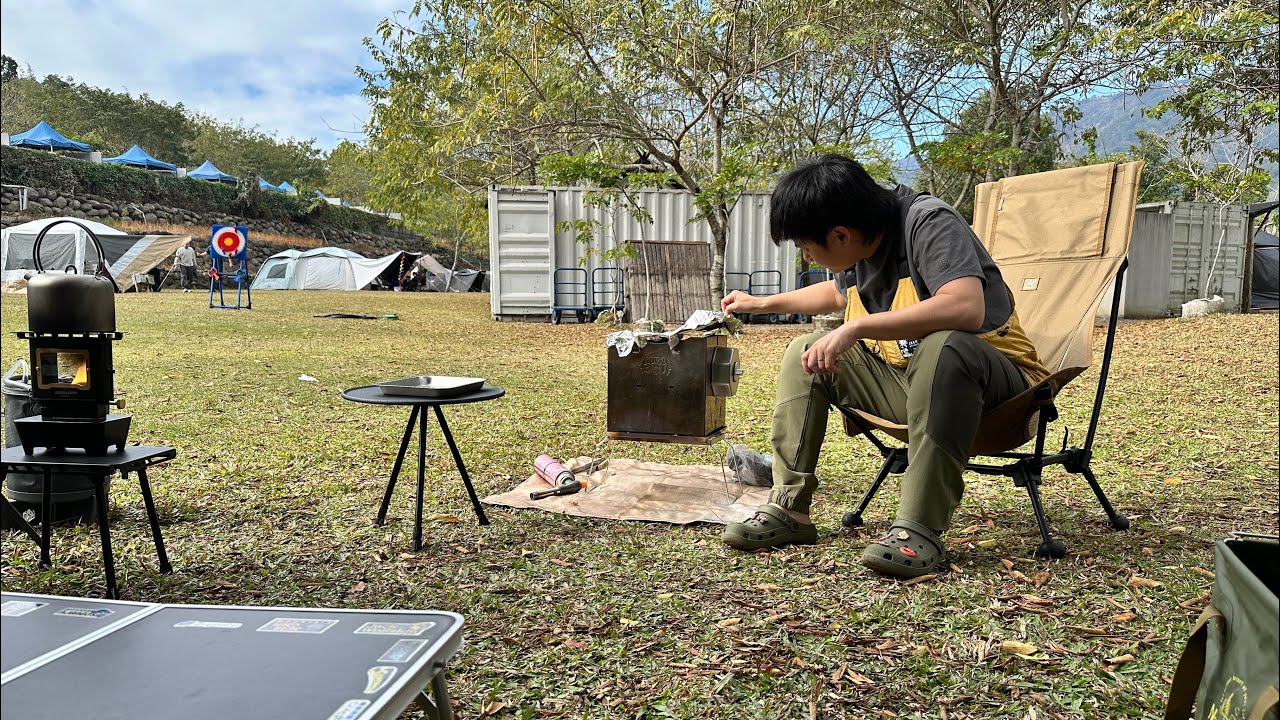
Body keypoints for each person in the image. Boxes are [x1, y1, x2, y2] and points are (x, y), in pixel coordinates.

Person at [720, 154, 1048, 578]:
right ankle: (790, 509)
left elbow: (965, 307)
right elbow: (837, 296)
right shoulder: (859, 241)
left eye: (807, 249)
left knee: (943, 347)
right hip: (916, 386)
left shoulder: (928, 223)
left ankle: (919, 527)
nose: (807, 258)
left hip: (1000, 389)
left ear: (840, 234)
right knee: (806, 352)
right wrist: (761, 303)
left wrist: (856, 329)